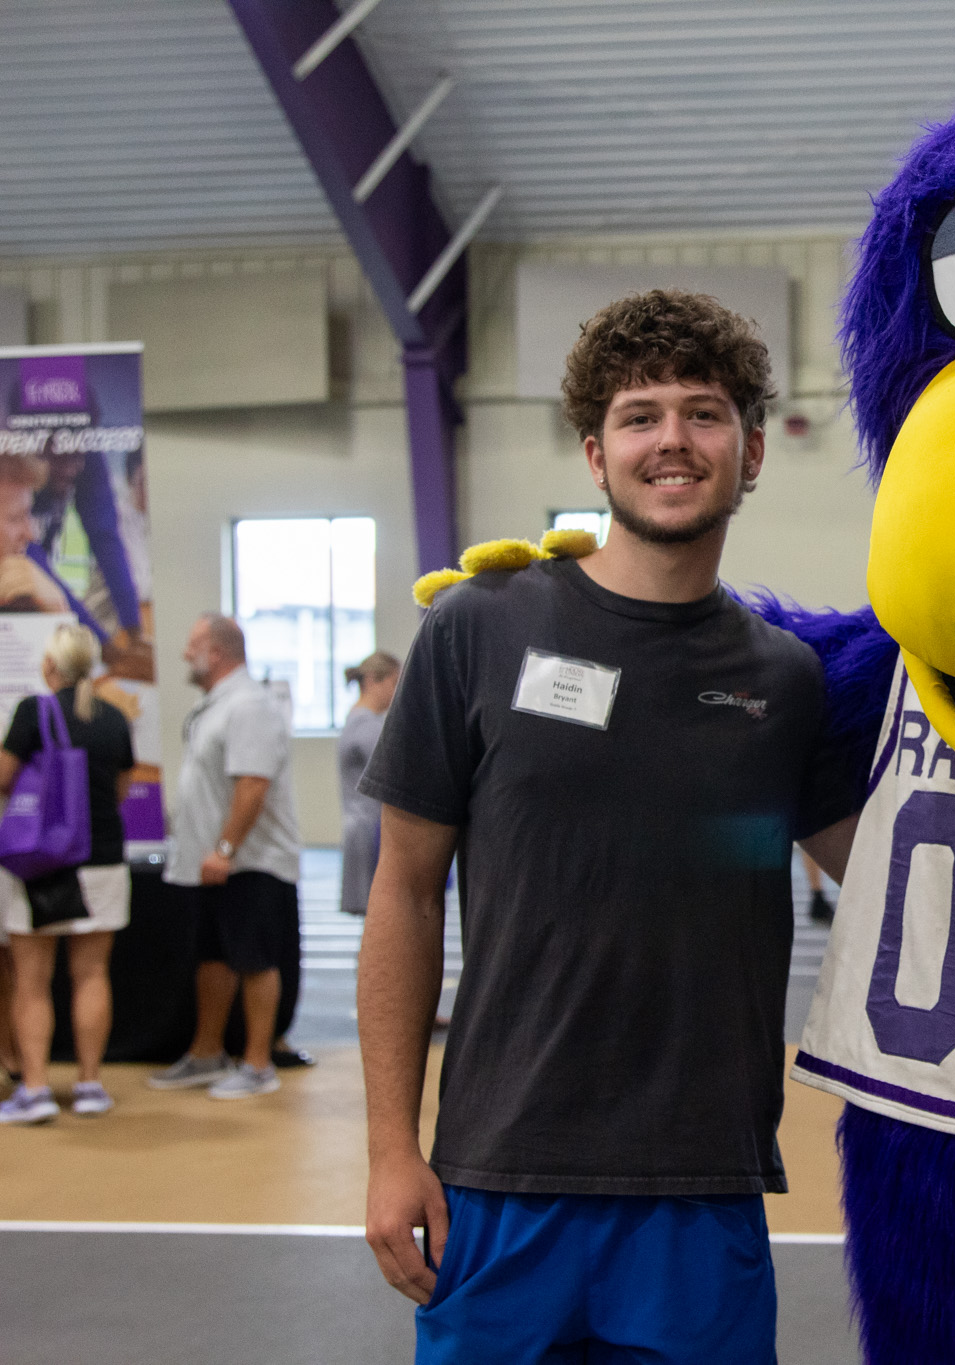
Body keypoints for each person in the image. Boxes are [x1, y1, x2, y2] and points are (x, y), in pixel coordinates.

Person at [357, 290, 859, 1365]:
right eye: (640, 416)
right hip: (499, 1181)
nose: (671, 439)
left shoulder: (786, 679)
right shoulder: (478, 630)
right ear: (595, 454)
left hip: (700, 1190)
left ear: (752, 448)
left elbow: (883, 876)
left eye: (703, 412)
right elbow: (402, 890)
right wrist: (391, 1148)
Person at [147, 612, 302, 1101]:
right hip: (212, 864)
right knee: (213, 957)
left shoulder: (250, 706)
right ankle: (207, 1052)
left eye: (192, 644)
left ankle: (258, 1064)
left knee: (255, 959)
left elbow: (252, 785)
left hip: (249, 861)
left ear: (216, 652)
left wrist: (226, 849)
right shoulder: (216, 705)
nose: (183, 654)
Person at [0, 625, 135, 1124]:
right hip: (103, 860)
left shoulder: (33, 712)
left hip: (42, 863)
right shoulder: (114, 719)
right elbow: (121, 790)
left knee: (31, 981)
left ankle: (34, 1090)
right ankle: (89, 1084)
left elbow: (4, 778)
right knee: (92, 974)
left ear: (50, 666)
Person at [337, 651, 399, 917]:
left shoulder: (359, 721)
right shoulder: (367, 725)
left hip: (365, 826)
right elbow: (397, 770)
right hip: (370, 829)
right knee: (382, 916)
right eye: (394, 683)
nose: (397, 691)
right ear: (374, 680)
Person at [0, 453, 74, 615]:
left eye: (28, 515)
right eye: (15, 518)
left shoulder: (23, 593)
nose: (30, 534)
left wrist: (55, 609)